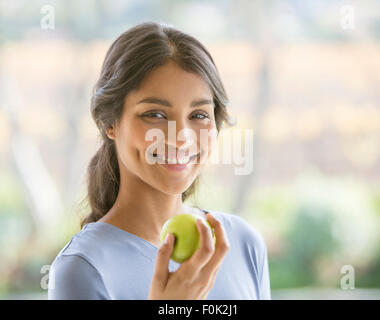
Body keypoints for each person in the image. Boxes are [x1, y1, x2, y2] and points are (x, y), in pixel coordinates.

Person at [48, 21, 271, 300]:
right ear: (110, 123)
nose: (181, 138)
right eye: (155, 115)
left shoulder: (242, 243)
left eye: (199, 115)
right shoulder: (83, 269)